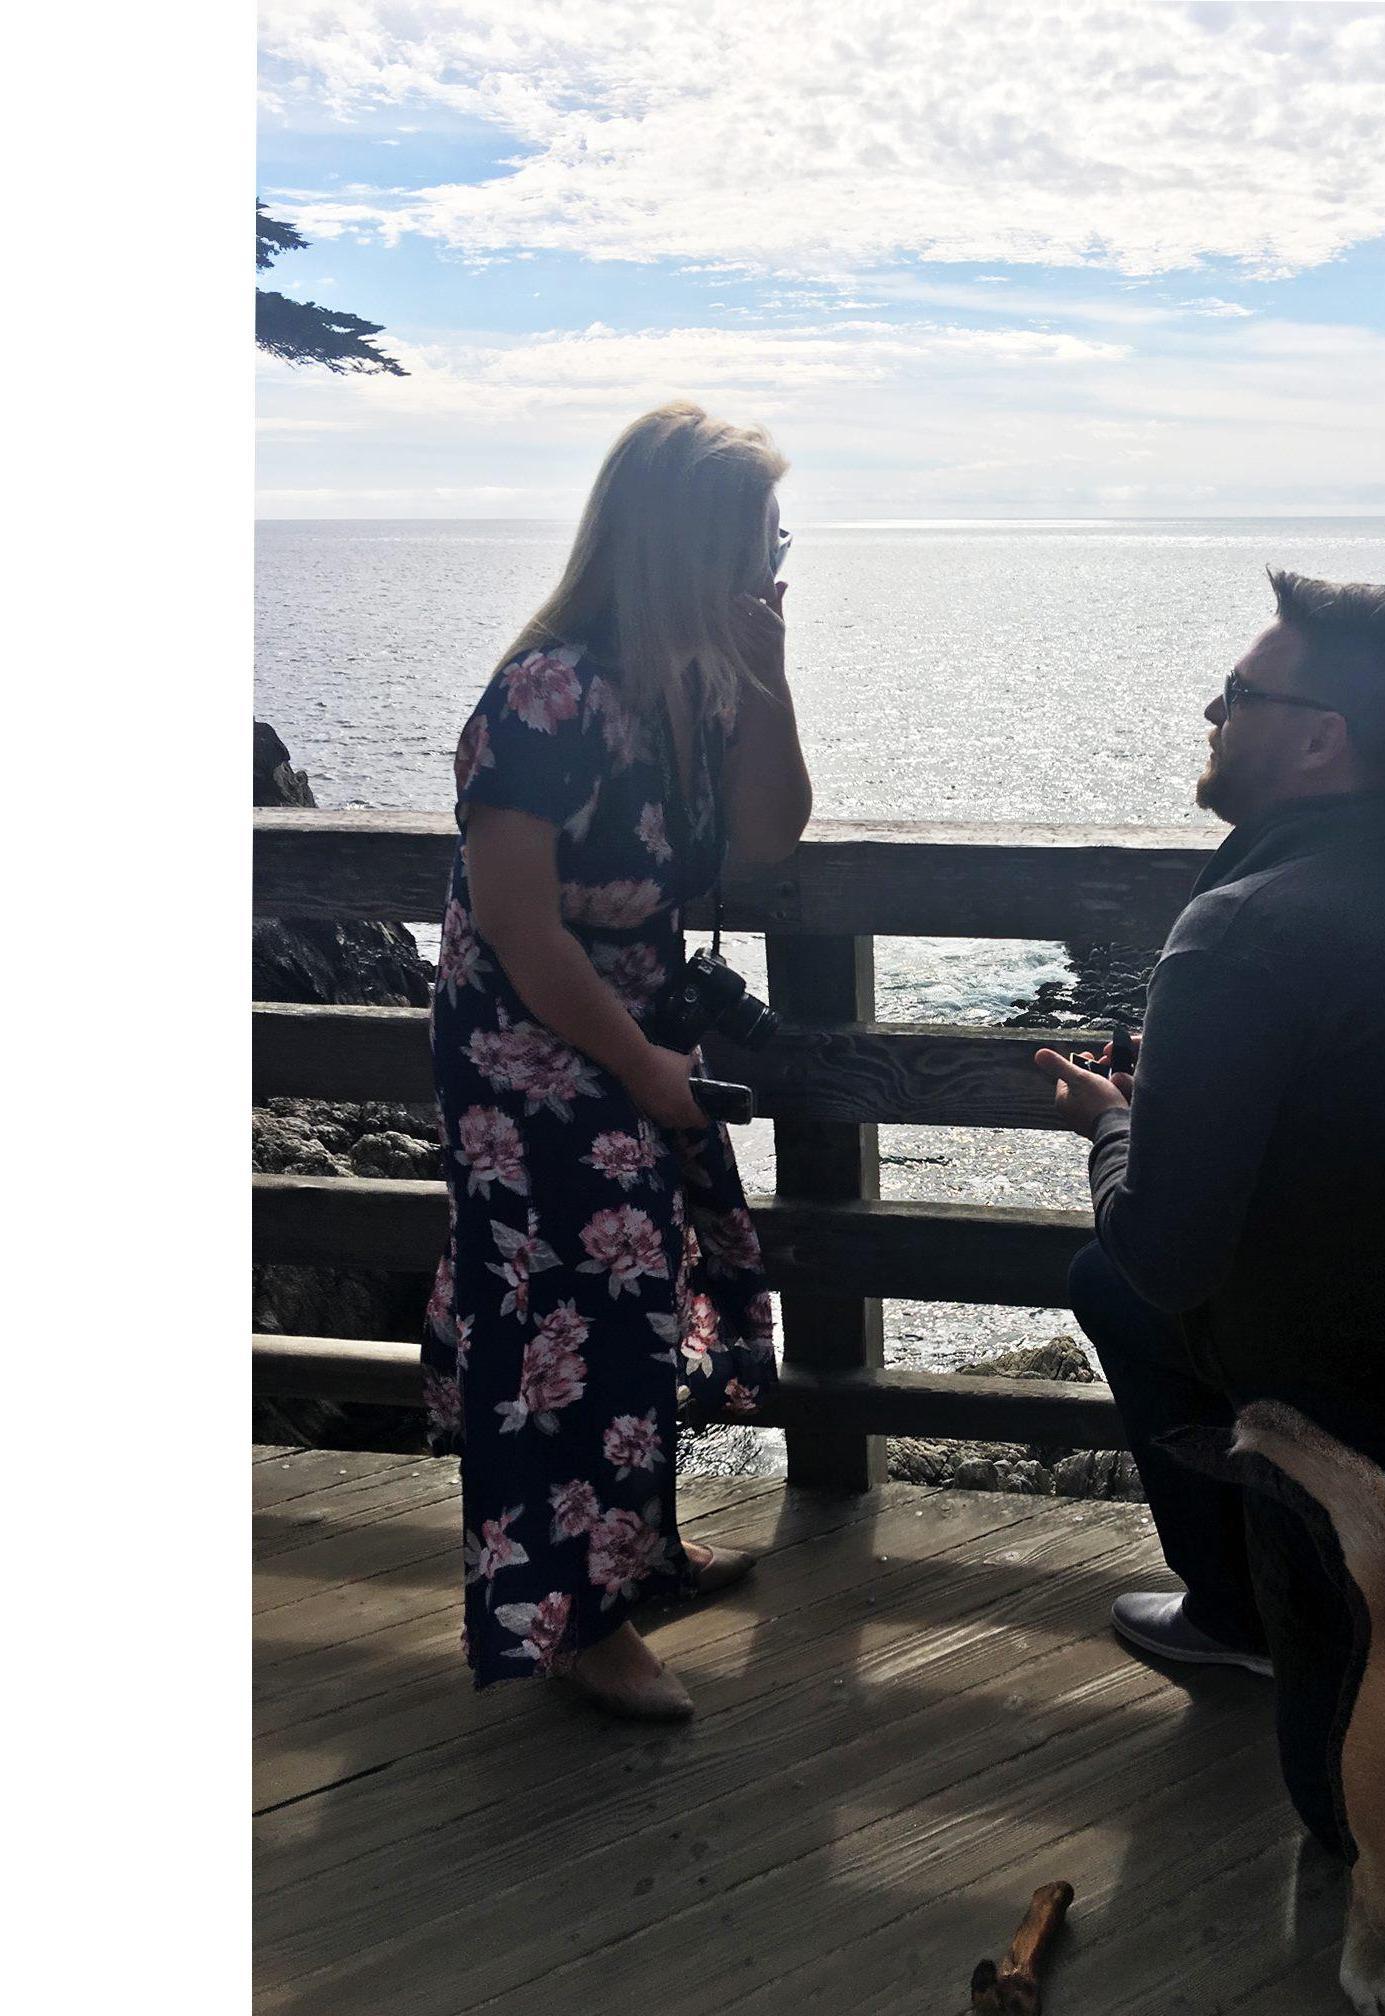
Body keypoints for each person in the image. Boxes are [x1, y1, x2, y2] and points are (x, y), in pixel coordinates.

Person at [1036, 571, 1385, 1851]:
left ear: (1319, 737)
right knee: (1105, 1286)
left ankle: (1273, 1616)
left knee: (1339, 1821)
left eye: (1242, 694)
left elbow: (1165, 1253)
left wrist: (1110, 1124)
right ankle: (1235, 1609)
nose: (1211, 709)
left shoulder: (1243, 930)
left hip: (1367, 1482)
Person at [420, 402, 814, 1719]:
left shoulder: (691, 678)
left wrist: (769, 674)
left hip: (633, 1037)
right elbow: (520, 928)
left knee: (642, 1305)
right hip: (534, 1058)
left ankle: (637, 1555)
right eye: (762, 536)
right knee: (560, 1334)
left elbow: (766, 842)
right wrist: (641, 1067)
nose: (778, 559)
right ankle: (573, 1625)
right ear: (688, 543)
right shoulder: (545, 692)